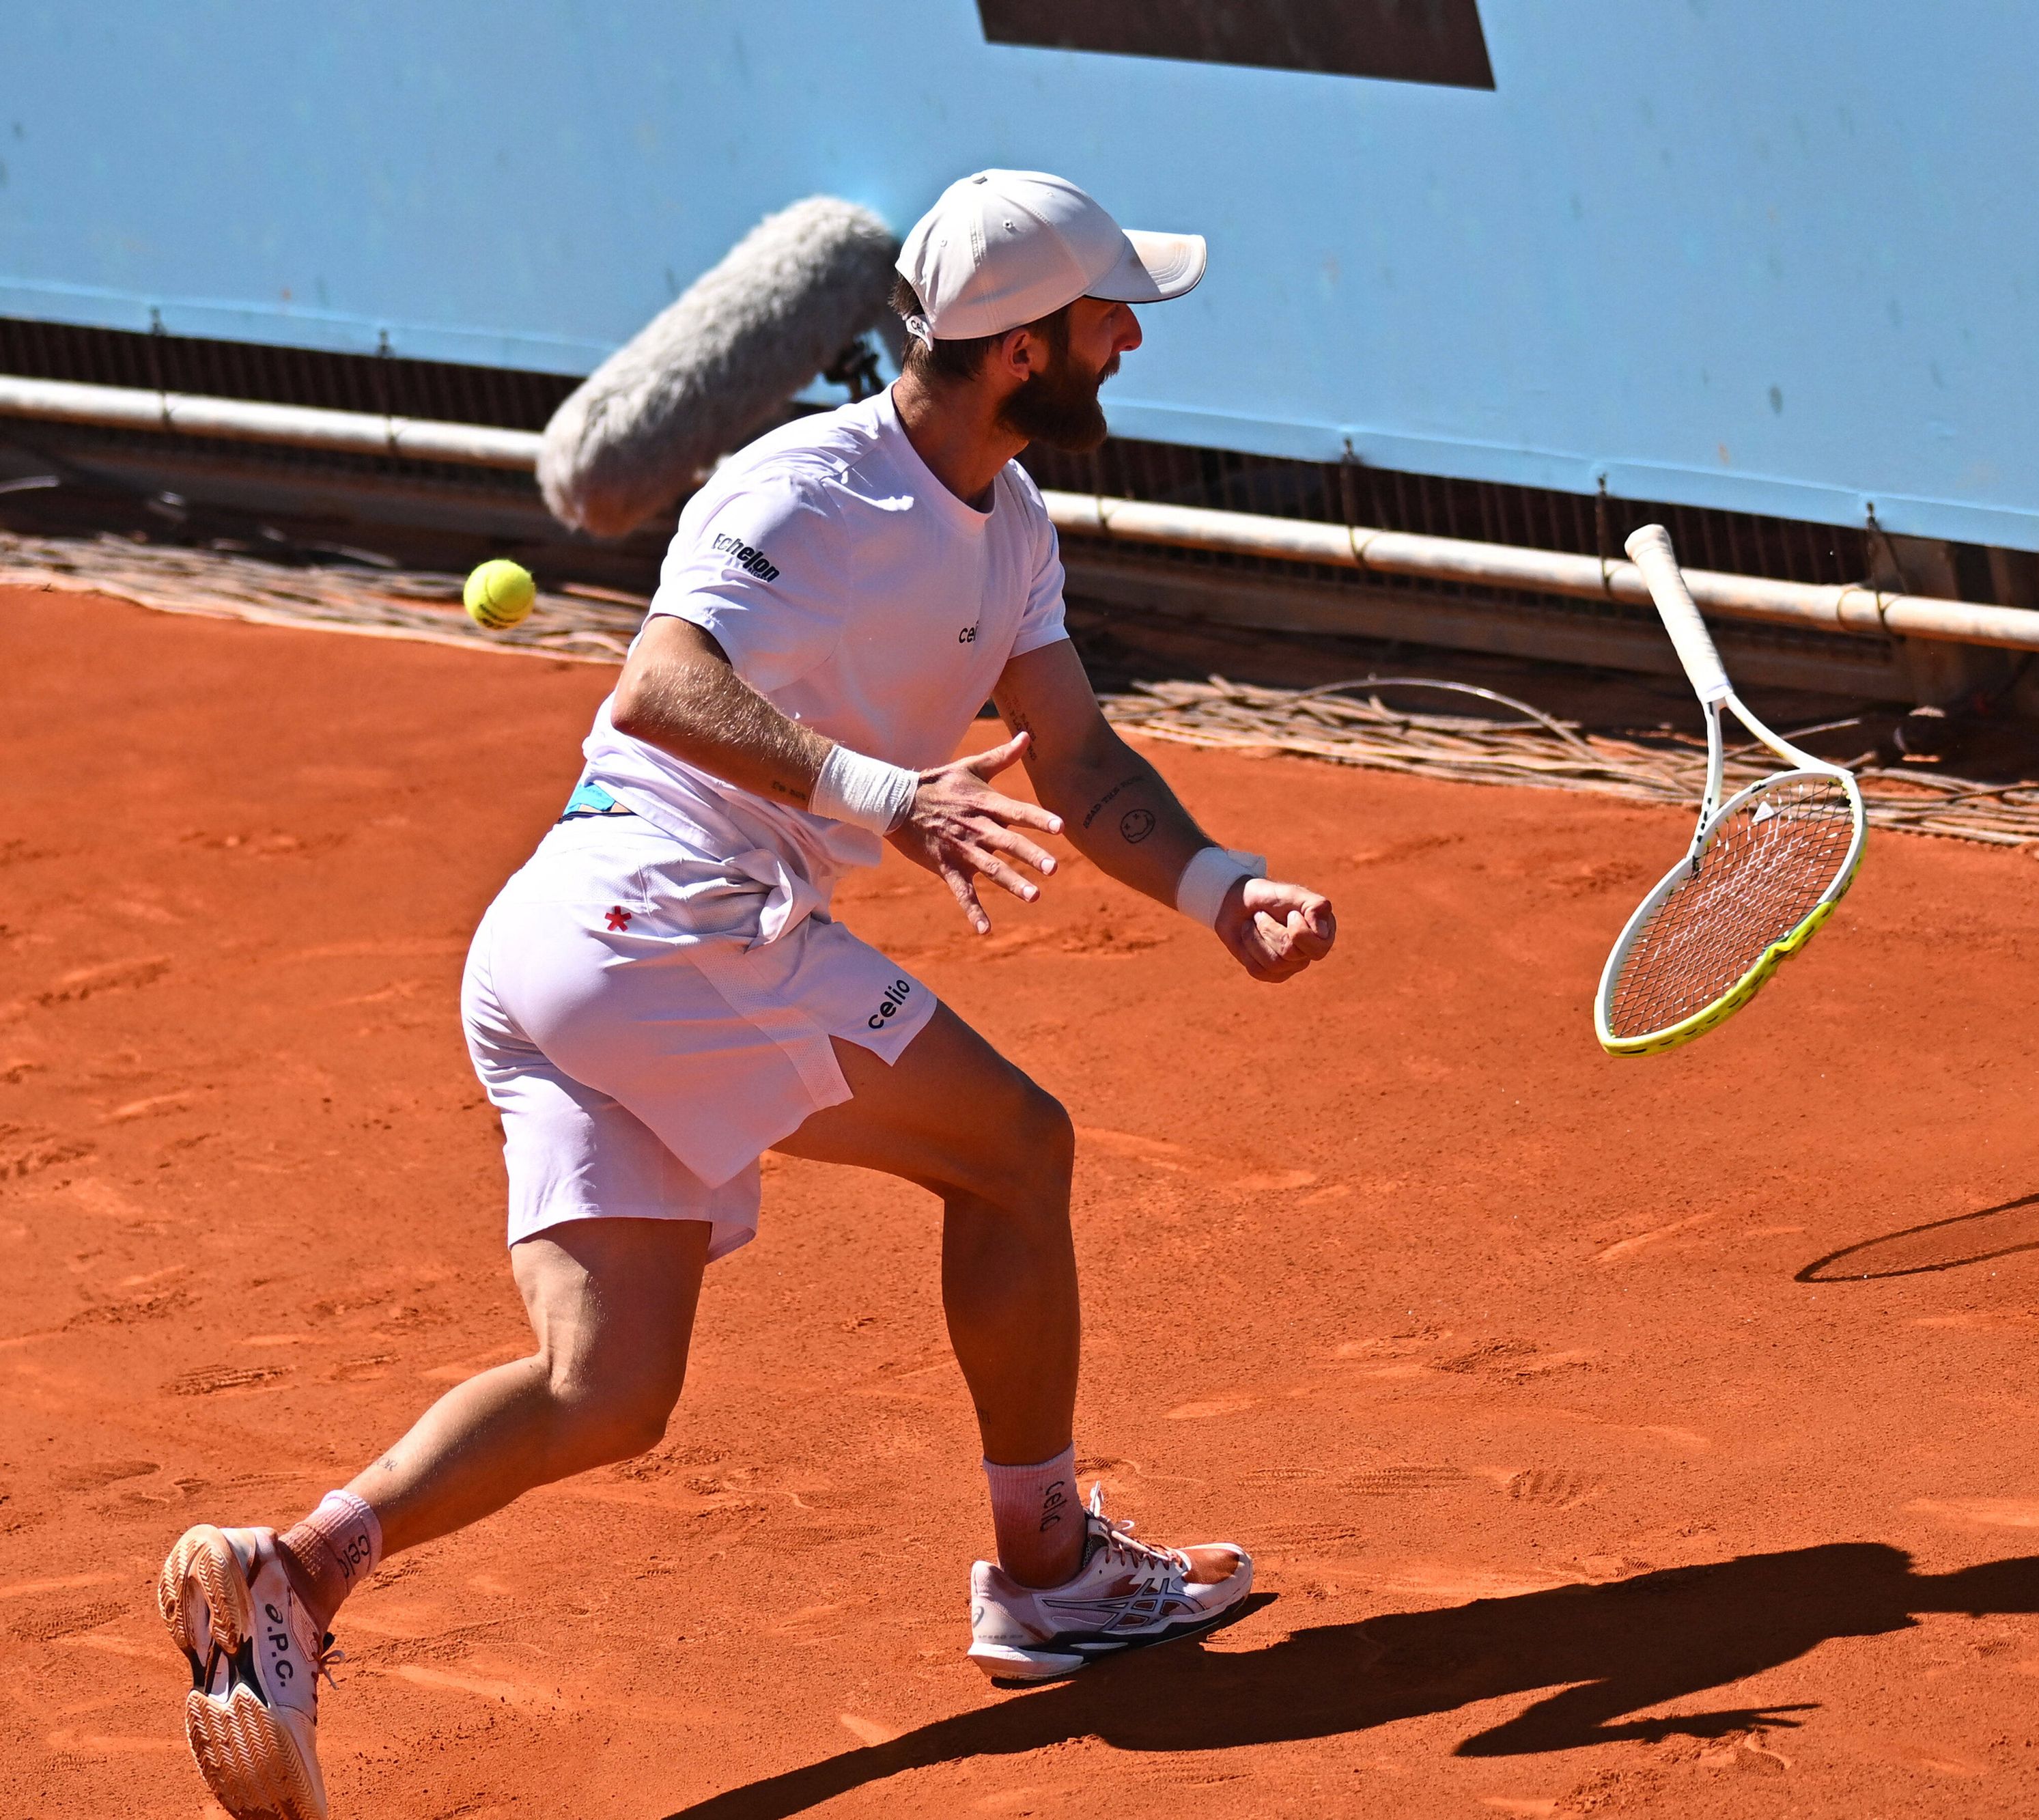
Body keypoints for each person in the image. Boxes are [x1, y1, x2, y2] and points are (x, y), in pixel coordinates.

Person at [158, 169, 1337, 1820]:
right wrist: (885, 795)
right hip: (666, 919)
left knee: (606, 1389)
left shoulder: (1009, 525)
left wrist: (1223, 888)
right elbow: (659, 682)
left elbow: (1072, 756)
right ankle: (1048, 1567)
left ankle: (295, 1570)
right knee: (1012, 1147)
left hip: (581, 947)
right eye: (1103, 318)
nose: (1130, 337)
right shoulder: (808, 483)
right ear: (1017, 351)